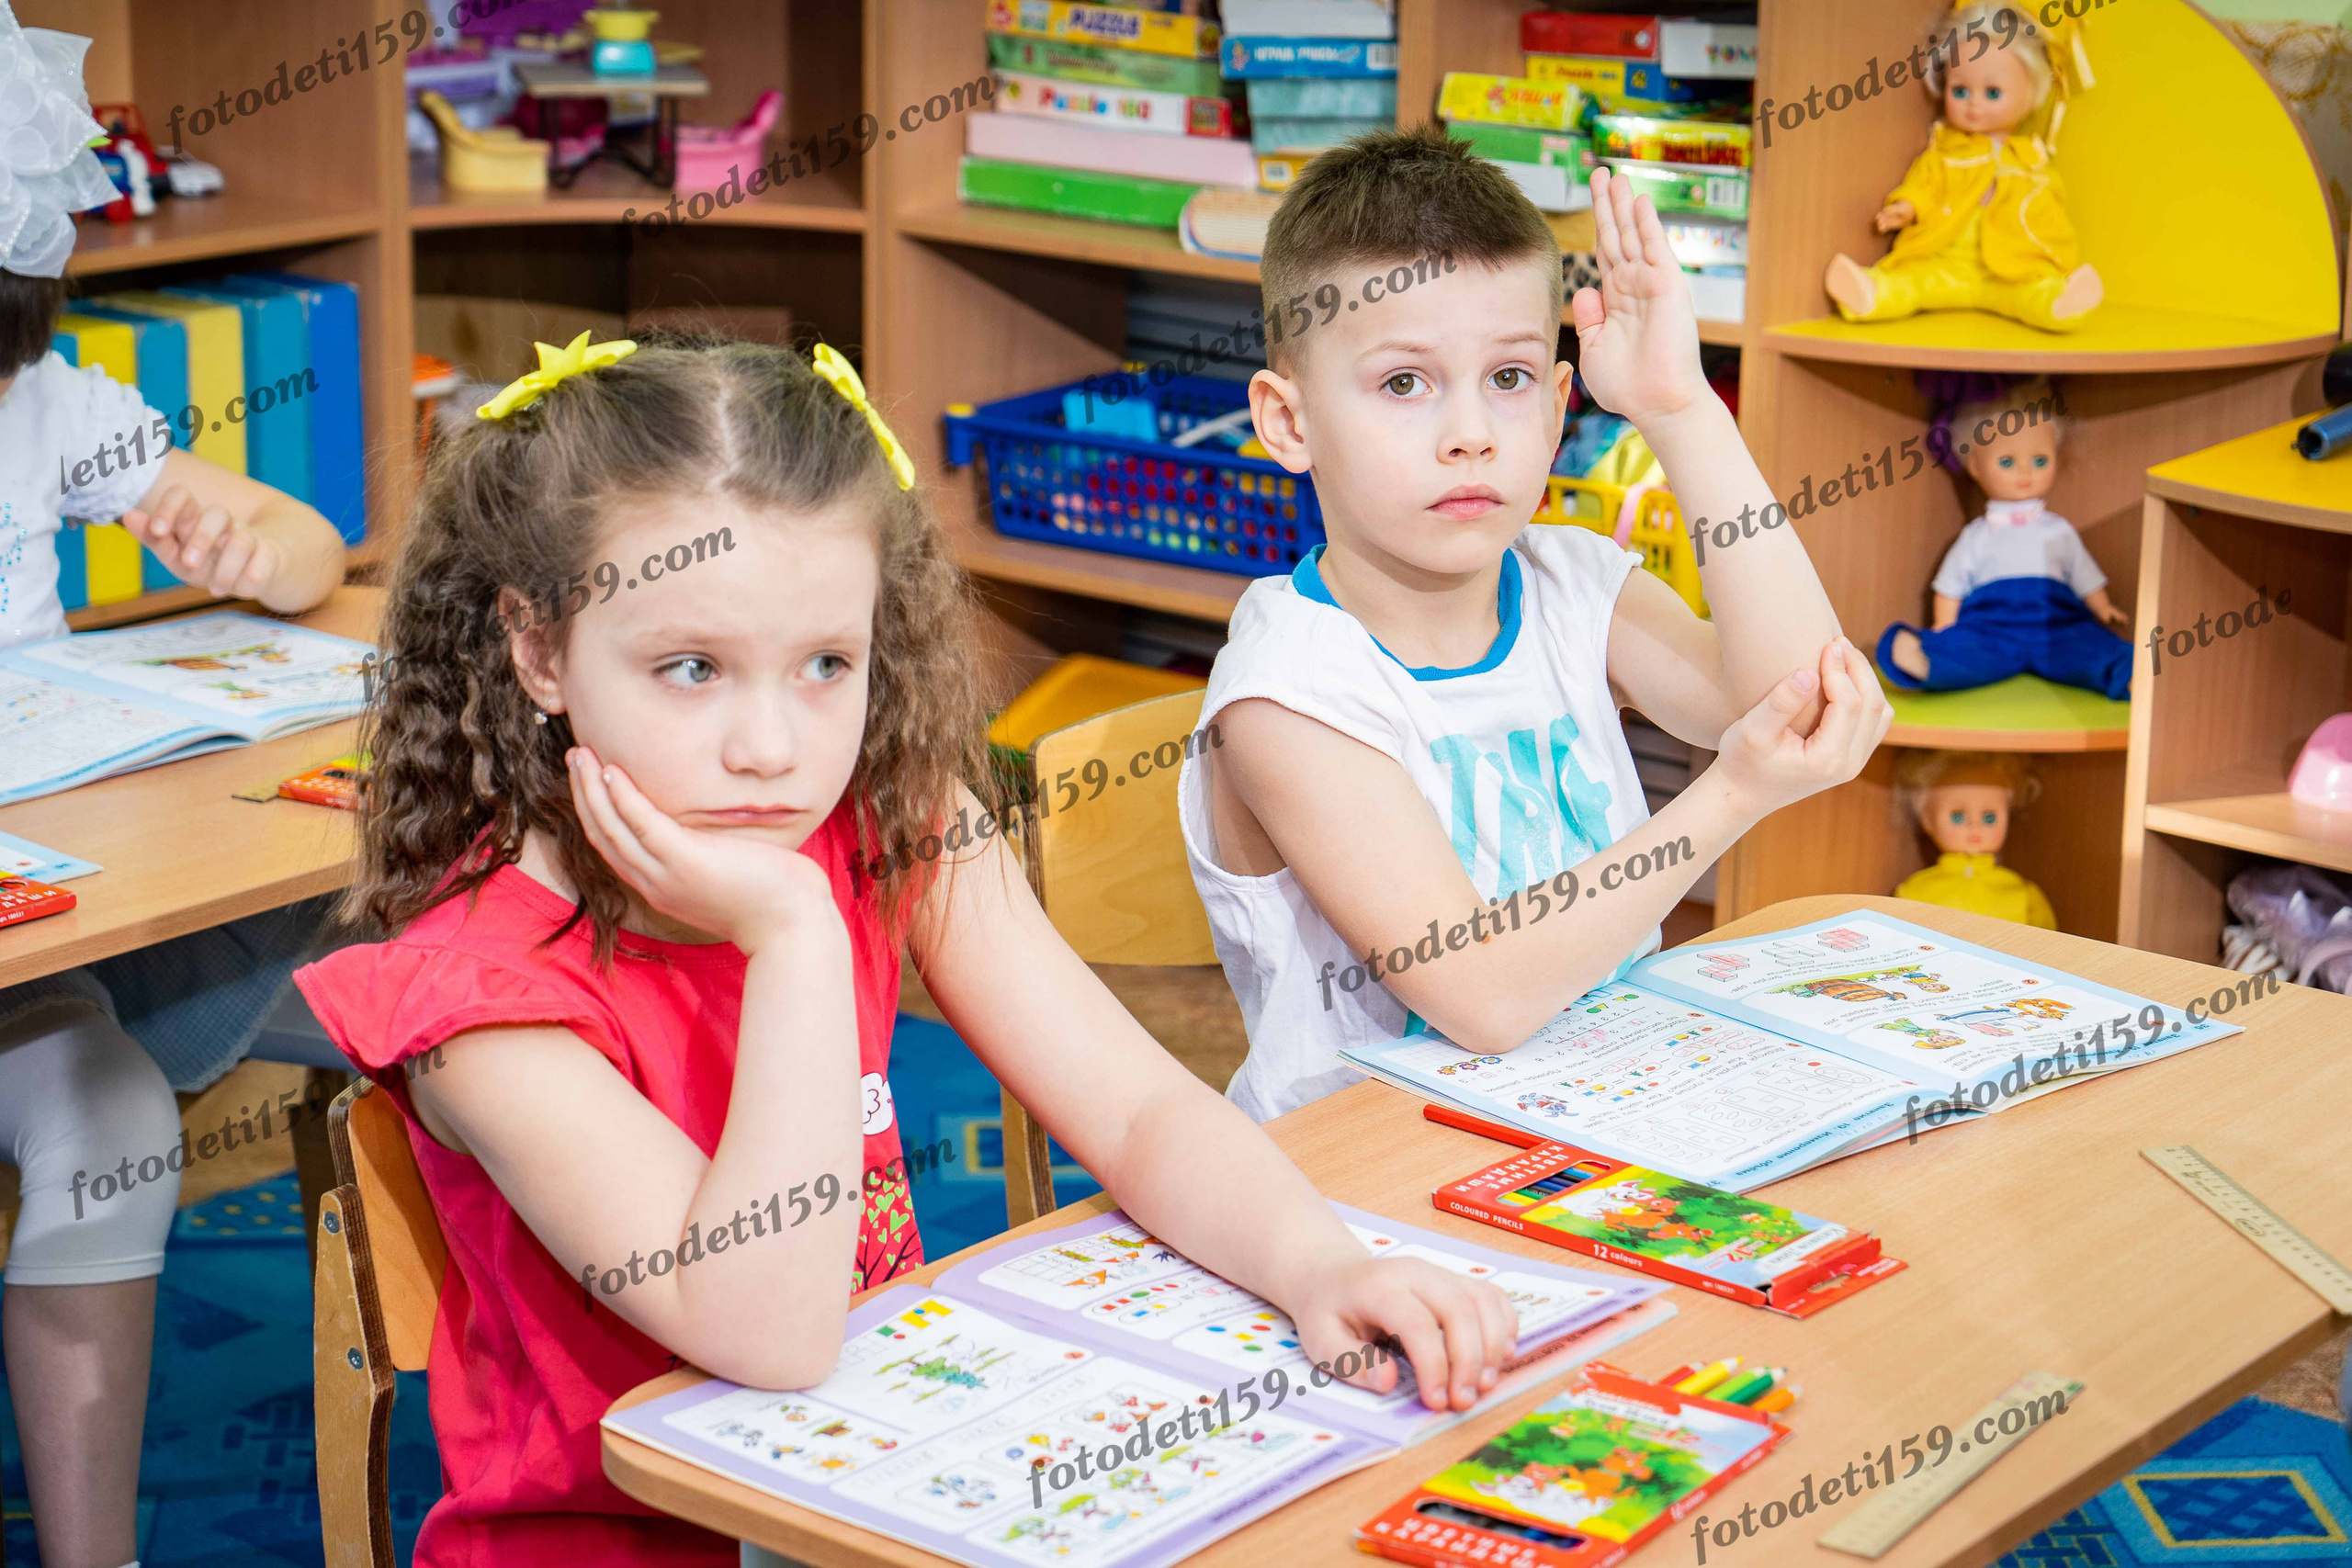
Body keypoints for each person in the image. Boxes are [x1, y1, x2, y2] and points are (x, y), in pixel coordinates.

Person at [292, 330, 1521, 1566]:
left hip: (889, 1487)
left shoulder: (890, 815)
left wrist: (1316, 1265)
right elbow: (767, 1328)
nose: (769, 743)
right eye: (691, 667)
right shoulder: (484, 996)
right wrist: (796, 938)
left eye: (827, 663)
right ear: (542, 649)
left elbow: (1138, 1106)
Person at [1178, 129, 1889, 1122]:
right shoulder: (1286, 694)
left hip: (1599, 1118)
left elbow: (1801, 695)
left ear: (1557, 407)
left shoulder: (1568, 581)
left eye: (1508, 380)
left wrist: (1680, 409)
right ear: (1289, 423)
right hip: (1362, 1185)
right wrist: (1729, 795)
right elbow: (1484, 996)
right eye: (1402, 383)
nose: (1470, 432)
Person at [0, 10, 348, 1565]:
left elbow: (302, 541)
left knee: (119, 1110)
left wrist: (252, 547)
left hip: (56, 903)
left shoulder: (52, 402)